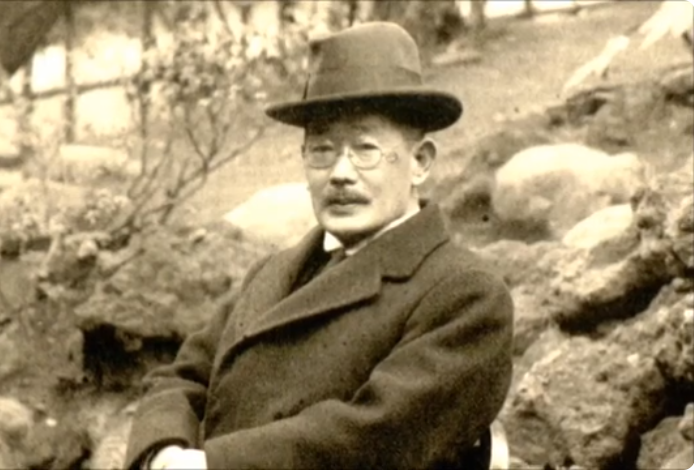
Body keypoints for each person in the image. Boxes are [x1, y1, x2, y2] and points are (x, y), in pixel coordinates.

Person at [124, 21, 513, 470]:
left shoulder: (464, 293)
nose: (340, 173)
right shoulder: (273, 273)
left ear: (420, 162)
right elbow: (181, 378)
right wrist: (164, 450)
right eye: (322, 150)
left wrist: (212, 464)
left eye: (365, 149)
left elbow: (375, 436)